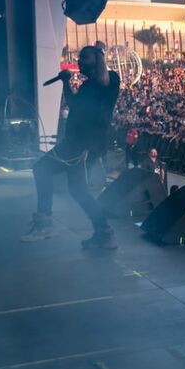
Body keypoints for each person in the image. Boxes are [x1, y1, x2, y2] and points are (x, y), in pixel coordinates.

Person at [21, 46, 121, 248]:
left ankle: (44, 223)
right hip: (78, 144)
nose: (80, 62)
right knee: (78, 190)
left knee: (41, 168)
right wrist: (67, 83)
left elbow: (97, 85)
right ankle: (104, 233)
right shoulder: (88, 86)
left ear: (98, 60)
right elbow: (73, 103)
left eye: (85, 57)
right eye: (79, 58)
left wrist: (98, 54)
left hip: (81, 146)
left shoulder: (108, 80)